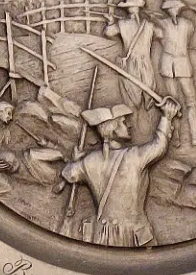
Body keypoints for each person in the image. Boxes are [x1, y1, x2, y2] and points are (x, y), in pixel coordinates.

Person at [61, 97, 182, 245]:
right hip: (133, 236)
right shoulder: (134, 156)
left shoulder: (90, 160)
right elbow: (159, 146)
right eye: (124, 122)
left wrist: (76, 160)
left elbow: (69, 174)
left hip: (103, 237)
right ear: (113, 128)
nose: (129, 125)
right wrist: (166, 117)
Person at [154, 0, 196, 144]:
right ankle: (176, 135)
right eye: (171, 8)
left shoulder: (188, 24)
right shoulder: (161, 24)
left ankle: (194, 135)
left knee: (191, 100)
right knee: (173, 102)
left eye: (176, 8)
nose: (174, 10)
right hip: (168, 65)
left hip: (183, 63)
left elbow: (188, 37)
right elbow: (157, 35)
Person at [104, 0, 158, 111]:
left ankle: (136, 112)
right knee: (148, 91)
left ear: (128, 9)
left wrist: (110, 22)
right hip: (144, 63)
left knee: (133, 93)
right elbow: (161, 34)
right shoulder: (149, 25)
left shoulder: (124, 24)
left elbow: (109, 32)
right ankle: (146, 112)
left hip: (133, 63)